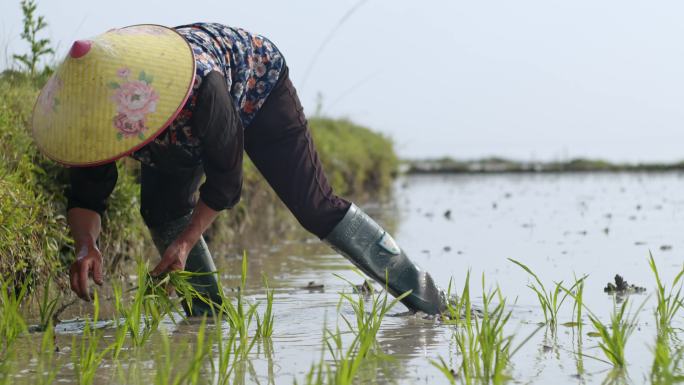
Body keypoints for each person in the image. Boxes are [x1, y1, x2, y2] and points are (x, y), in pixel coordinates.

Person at [32, 23, 447, 316]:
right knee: (161, 213)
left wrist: (186, 242)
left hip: (256, 86)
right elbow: (88, 193)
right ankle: (207, 318)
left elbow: (227, 180)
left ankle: (429, 300)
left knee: (314, 207)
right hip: (185, 119)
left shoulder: (206, 92)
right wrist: (86, 245)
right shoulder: (96, 120)